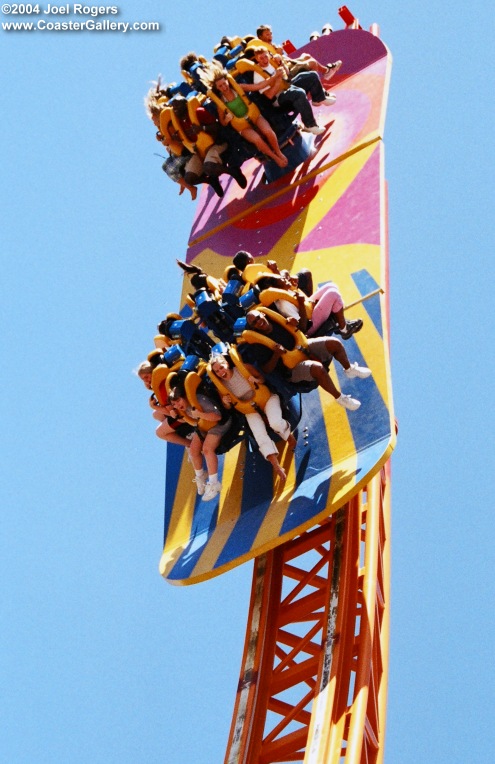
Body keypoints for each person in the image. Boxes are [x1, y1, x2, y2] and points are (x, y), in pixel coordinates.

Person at [242, 309, 371, 410]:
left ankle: (349, 369)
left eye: (258, 318)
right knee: (317, 369)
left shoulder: (277, 318)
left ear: (262, 314)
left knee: (334, 343)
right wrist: (276, 355)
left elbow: (302, 329)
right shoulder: (258, 344)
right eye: (254, 323)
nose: (259, 322)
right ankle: (340, 398)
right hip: (292, 368)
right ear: (253, 327)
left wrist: (294, 324)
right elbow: (266, 369)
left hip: (303, 347)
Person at [209, 350, 295, 482]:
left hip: (266, 399)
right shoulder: (221, 387)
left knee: (275, 422)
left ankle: (289, 437)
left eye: (221, 367)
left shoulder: (244, 368)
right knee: (259, 434)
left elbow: (262, 378)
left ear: (227, 363)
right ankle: (276, 466)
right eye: (217, 371)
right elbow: (227, 407)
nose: (221, 372)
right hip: (249, 409)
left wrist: (256, 379)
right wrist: (225, 403)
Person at [240, 47, 334, 136]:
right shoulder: (258, 74)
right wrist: (277, 80)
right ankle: (309, 124)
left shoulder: (272, 62)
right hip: (278, 97)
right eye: (261, 58)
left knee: (312, 76)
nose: (264, 60)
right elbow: (269, 95)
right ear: (257, 59)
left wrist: (282, 64)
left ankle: (319, 98)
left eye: (266, 56)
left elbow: (288, 75)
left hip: (287, 86)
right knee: (298, 93)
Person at [207, 68, 289, 169]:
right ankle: (275, 158)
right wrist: (226, 120)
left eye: (225, 83)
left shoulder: (239, 87)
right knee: (257, 139)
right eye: (220, 86)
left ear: (228, 81)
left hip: (254, 116)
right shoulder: (221, 103)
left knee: (268, 131)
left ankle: (278, 152)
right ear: (217, 88)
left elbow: (259, 86)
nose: (224, 87)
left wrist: (275, 76)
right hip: (243, 127)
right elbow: (223, 123)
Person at [167, 95, 247, 197]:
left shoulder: (198, 112)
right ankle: (210, 180)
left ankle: (233, 172)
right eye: (174, 108)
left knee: (208, 167)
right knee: (189, 178)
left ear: (185, 105)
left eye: (178, 106)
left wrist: (202, 128)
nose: (176, 110)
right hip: (198, 151)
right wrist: (178, 140)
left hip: (215, 144)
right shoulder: (178, 125)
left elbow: (217, 126)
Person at [168, 382, 231, 501]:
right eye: (174, 404)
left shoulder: (198, 400)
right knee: (193, 450)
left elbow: (218, 417)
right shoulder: (183, 409)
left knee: (207, 449)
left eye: (178, 400)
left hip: (219, 425)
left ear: (184, 396)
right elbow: (191, 421)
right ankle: (201, 476)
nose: (177, 405)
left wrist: (200, 414)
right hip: (204, 427)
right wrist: (175, 416)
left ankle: (214, 483)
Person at [135, 361, 193, 447]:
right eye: (143, 380)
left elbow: (171, 413)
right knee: (156, 414)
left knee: (159, 433)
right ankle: (183, 430)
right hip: (185, 403)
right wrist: (151, 387)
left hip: (182, 414)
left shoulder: (162, 388)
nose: (146, 381)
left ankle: (190, 444)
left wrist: (153, 406)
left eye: (147, 377)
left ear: (153, 372)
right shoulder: (166, 376)